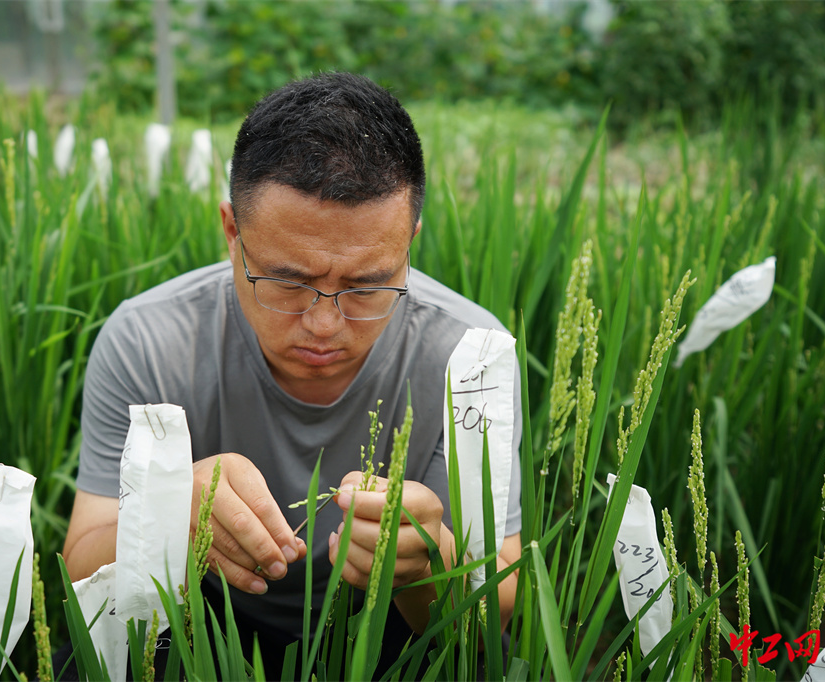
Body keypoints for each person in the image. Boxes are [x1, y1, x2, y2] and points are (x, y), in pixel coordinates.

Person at [62, 72, 523, 673]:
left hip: (385, 633)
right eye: (287, 282)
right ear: (232, 232)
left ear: (408, 242)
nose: (324, 325)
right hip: (199, 627)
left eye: (366, 286)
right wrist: (166, 515)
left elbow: (490, 618)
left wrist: (427, 564)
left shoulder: (471, 355)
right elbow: (83, 572)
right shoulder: (148, 340)